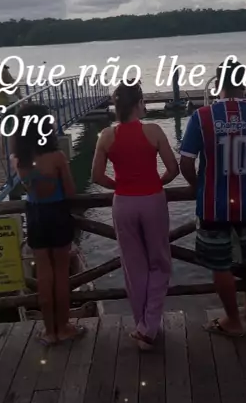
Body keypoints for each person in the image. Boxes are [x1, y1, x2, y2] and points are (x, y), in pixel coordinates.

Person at [179, 59, 246, 337]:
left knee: (220, 265)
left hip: (214, 205)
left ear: (218, 83)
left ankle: (233, 321)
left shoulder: (202, 117)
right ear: (243, 83)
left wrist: (198, 186)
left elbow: (186, 162)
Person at [91, 81, 179, 350]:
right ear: (139, 103)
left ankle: (143, 325)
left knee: (133, 266)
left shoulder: (106, 136)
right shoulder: (153, 131)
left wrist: (119, 185)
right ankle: (148, 327)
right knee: (160, 263)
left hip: (124, 203)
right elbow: (173, 169)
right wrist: (155, 182)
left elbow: (97, 176)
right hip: (152, 200)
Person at [11, 102, 85, 347]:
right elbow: (71, 192)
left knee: (43, 275)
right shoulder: (56, 157)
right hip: (57, 213)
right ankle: (64, 328)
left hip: (35, 215)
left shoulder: (18, 160)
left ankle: (48, 331)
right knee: (61, 274)